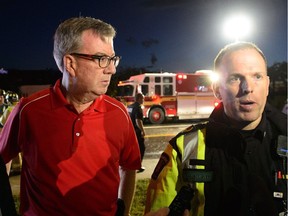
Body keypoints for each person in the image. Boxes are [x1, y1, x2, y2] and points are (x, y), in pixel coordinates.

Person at [0, 17, 142, 216]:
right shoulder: (28, 111)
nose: (112, 69)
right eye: (101, 59)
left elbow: (129, 167)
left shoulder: (119, 113)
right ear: (70, 63)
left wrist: (123, 212)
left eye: (113, 59)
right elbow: (2, 159)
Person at [145, 41, 287, 216]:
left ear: (267, 85)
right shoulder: (182, 149)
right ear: (217, 90)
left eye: (257, 76)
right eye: (235, 78)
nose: (248, 88)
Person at [128, 93, 146, 173]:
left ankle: (130, 165)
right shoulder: (138, 108)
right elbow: (138, 120)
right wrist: (142, 130)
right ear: (139, 99)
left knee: (132, 149)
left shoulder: (129, 107)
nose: (143, 100)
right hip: (136, 132)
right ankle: (138, 166)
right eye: (142, 98)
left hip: (130, 131)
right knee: (141, 148)